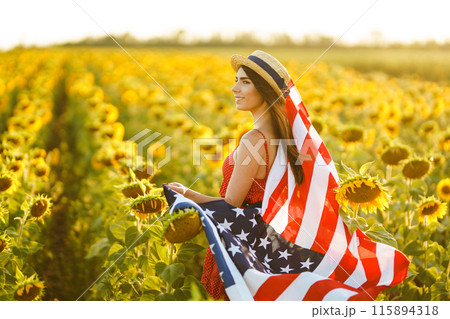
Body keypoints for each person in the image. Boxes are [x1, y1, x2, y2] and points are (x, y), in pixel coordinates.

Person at [164, 50, 304, 300]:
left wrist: (186, 193)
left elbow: (232, 204)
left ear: (265, 91)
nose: (234, 88)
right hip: (270, 243)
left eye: (245, 82)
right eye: (236, 80)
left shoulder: (254, 139)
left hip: (242, 246)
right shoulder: (287, 137)